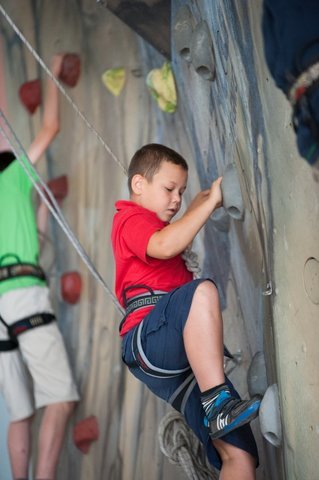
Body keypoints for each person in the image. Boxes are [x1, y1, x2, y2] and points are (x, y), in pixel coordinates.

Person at [111, 144, 260, 479]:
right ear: (138, 184)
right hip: (148, 340)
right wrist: (207, 204)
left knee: (239, 455)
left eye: (181, 191)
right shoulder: (129, 218)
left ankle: (218, 407)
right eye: (168, 189)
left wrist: (211, 195)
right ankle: (219, 404)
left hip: (180, 365)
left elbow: (185, 220)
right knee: (202, 292)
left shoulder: (163, 225)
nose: (176, 199)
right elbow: (165, 245)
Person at [0, 54, 79, 480]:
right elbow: (50, 128)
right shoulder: (10, 175)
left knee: (20, 412)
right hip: (22, 294)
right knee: (60, 398)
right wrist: (50, 73)